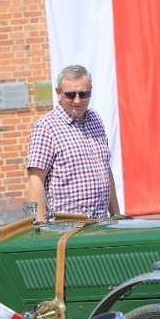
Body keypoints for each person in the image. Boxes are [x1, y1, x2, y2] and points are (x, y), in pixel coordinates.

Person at [26, 64, 120, 221]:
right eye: (70, 95)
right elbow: (35, 180)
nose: (77, 100)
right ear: (59, 93)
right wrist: (38, 229)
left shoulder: (96, 120)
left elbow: (105, 169)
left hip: (101, 224)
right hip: (66, 230)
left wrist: (116, 214)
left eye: (83, 94)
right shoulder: (46, 127)